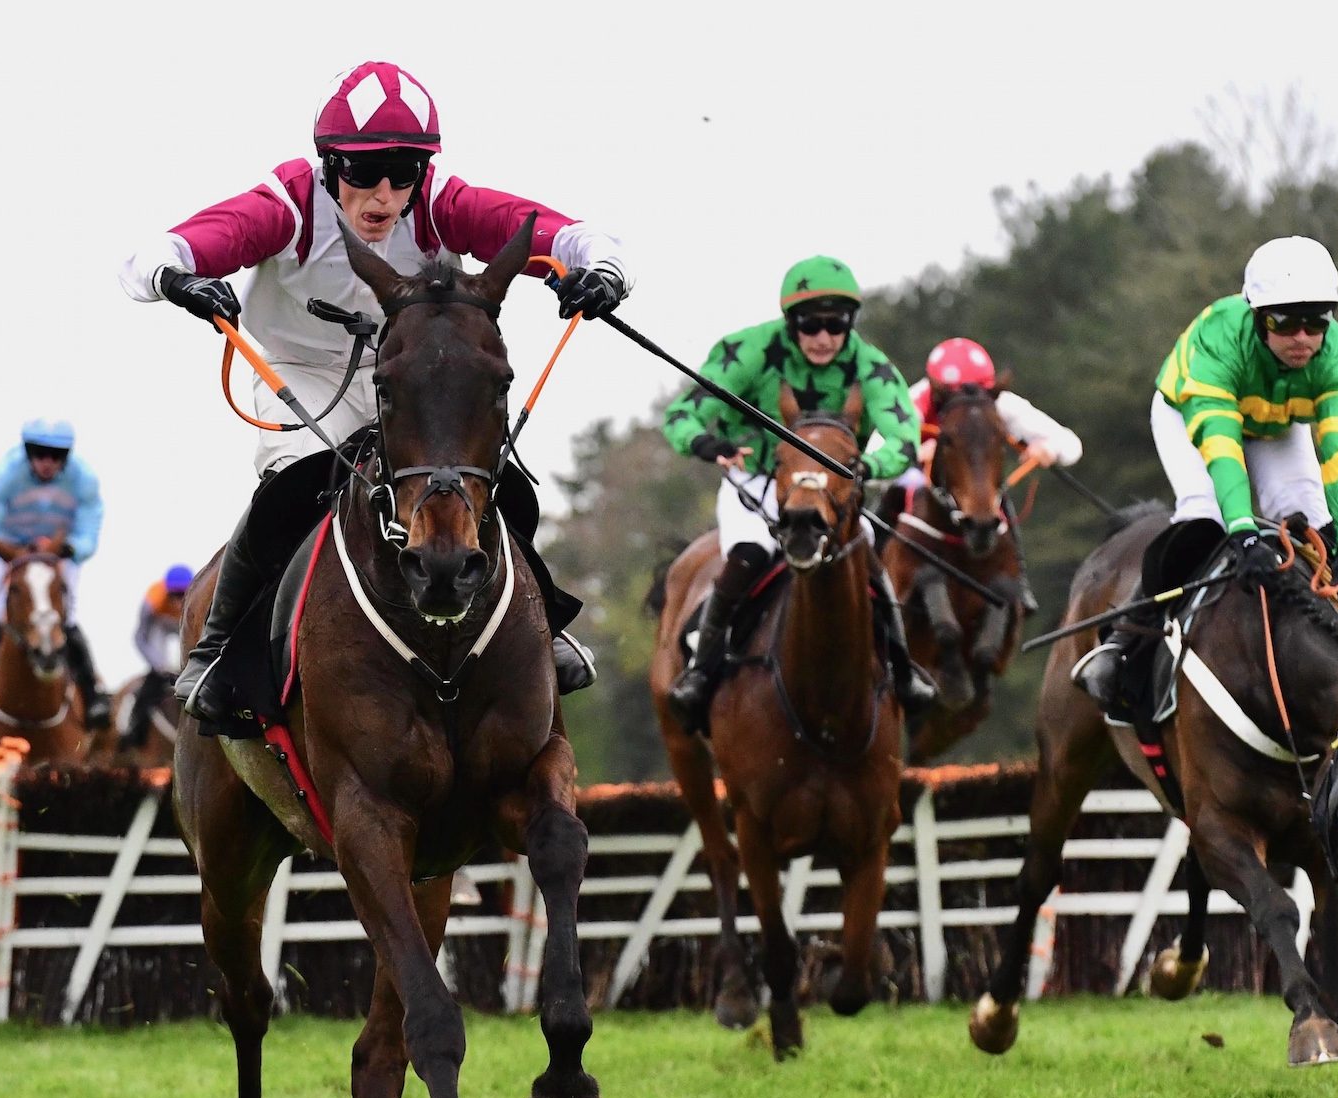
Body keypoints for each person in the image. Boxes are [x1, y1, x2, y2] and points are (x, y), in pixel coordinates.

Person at [119, 59, 630, 730]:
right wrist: (177, 278)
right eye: (361, 173)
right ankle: (216, 646)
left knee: (490, 477)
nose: (383, 194)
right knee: (295, 486)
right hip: (300, 374)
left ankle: (545, 625)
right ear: (330, 165)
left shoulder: (444, 202)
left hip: (407, 382)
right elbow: (152, 256)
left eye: (402, 173)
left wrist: (603, 271)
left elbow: (571, 234)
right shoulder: (287, 203)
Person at [1072, 234, 1338, 716]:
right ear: (1256, 316)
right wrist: (1245, 536)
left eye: (1316, 322)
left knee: (1318, 525)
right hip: (1194, 415)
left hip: (1275, 419)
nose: (1302, 338)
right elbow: (1222, 449)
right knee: (1205, 518)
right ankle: (1125, 643)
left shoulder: (1334, 355)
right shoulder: (1219, 340)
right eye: (1285, 322)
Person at [659, 255, 937, 730]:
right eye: (812, 325)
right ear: (792, 323)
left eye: (838, 324)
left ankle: (903, 668)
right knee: (749, 553)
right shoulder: (747, 351)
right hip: (761, 479)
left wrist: (868, 466)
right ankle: (701, 672)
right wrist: (705, 442)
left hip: (834, 488)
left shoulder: (870, 365)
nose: (826, 338)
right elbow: (682, 413)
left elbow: (904, 437)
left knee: (867, 556)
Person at [891, 336, 1085, 613]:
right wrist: (910, 453)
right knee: (887, 502)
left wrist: (1049, 449)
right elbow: (876, 457)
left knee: (997, 503)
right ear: (938, 392)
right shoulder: (914, 401)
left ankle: (1021, 584)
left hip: (974, 482)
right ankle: (875, 584)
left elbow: (1071, 444)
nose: (971, 403)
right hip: (922, 481)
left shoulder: (999, 401)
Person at [0, 419, 111, 729]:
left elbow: (89, 527)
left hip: (57, 553)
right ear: (28, 452)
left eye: (56, 456)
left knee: (66, 616)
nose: (48, 463)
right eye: (40, 454)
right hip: (12, 553)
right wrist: (5, 551)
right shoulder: (3, 475)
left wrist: (73, 549)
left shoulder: (84, 479)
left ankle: (93, 694)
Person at [124, 564, 194, 747]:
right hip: (160, 629)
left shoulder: (198, 597)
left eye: (182, 596)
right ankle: (134, 732)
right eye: (174, 596)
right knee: (152, 685)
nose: (178, 602)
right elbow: (139, 637)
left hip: (182, 628)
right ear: (167, 592)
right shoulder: (153, 599)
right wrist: (158, 664)